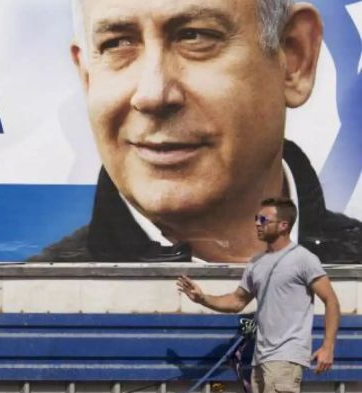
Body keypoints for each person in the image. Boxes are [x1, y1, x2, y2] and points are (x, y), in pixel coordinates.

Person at [30, 0, 361, 263]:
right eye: (118, 43)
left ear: (294, 58)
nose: (152, 94)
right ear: (87, 76)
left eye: (194, 36)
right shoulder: (29, 318)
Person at [177, 197, 340, 393]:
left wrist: (328, 346)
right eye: (256, 219)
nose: (257, 224)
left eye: (263, 219)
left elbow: (330, 300)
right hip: (261, 357)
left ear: (284, 225)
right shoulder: (256, 263)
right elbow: (236, 301)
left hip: (287, 355)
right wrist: (202, 298)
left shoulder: (303, 259)